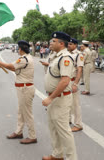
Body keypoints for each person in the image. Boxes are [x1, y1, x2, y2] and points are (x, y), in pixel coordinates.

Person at [0, 41, 37, 144]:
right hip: (22, 88)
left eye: (18, 48)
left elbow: (11, 66)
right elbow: (16, 70)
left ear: (21, 49)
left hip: (25, 89)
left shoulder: (24, 59)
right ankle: (19, 132)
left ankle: (32, 136)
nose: (17, 50)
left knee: (27, 113)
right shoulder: (26, 58)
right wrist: (2, 65)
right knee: (21, 112)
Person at [41, 31, 78, 160]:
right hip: (55, 98)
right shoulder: (56, 56)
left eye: (54, 41)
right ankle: (57, 155)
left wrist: (51, 98)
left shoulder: (65, 58)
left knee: (63, 131)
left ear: (61, 43)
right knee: (54, 128)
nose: (51, 43)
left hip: (60, 99)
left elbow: (65, 80)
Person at [67, 38, 84, 132]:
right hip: (67, 81)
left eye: (70, 44)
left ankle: (78, 124)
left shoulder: (78, 55)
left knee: (75, 104)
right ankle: (68, 120)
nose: (68, 45)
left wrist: (75, 84)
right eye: (68, 44)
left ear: (75, 45)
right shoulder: (67, 54)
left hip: (73, 81)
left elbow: (79, 70)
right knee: (67, 102)